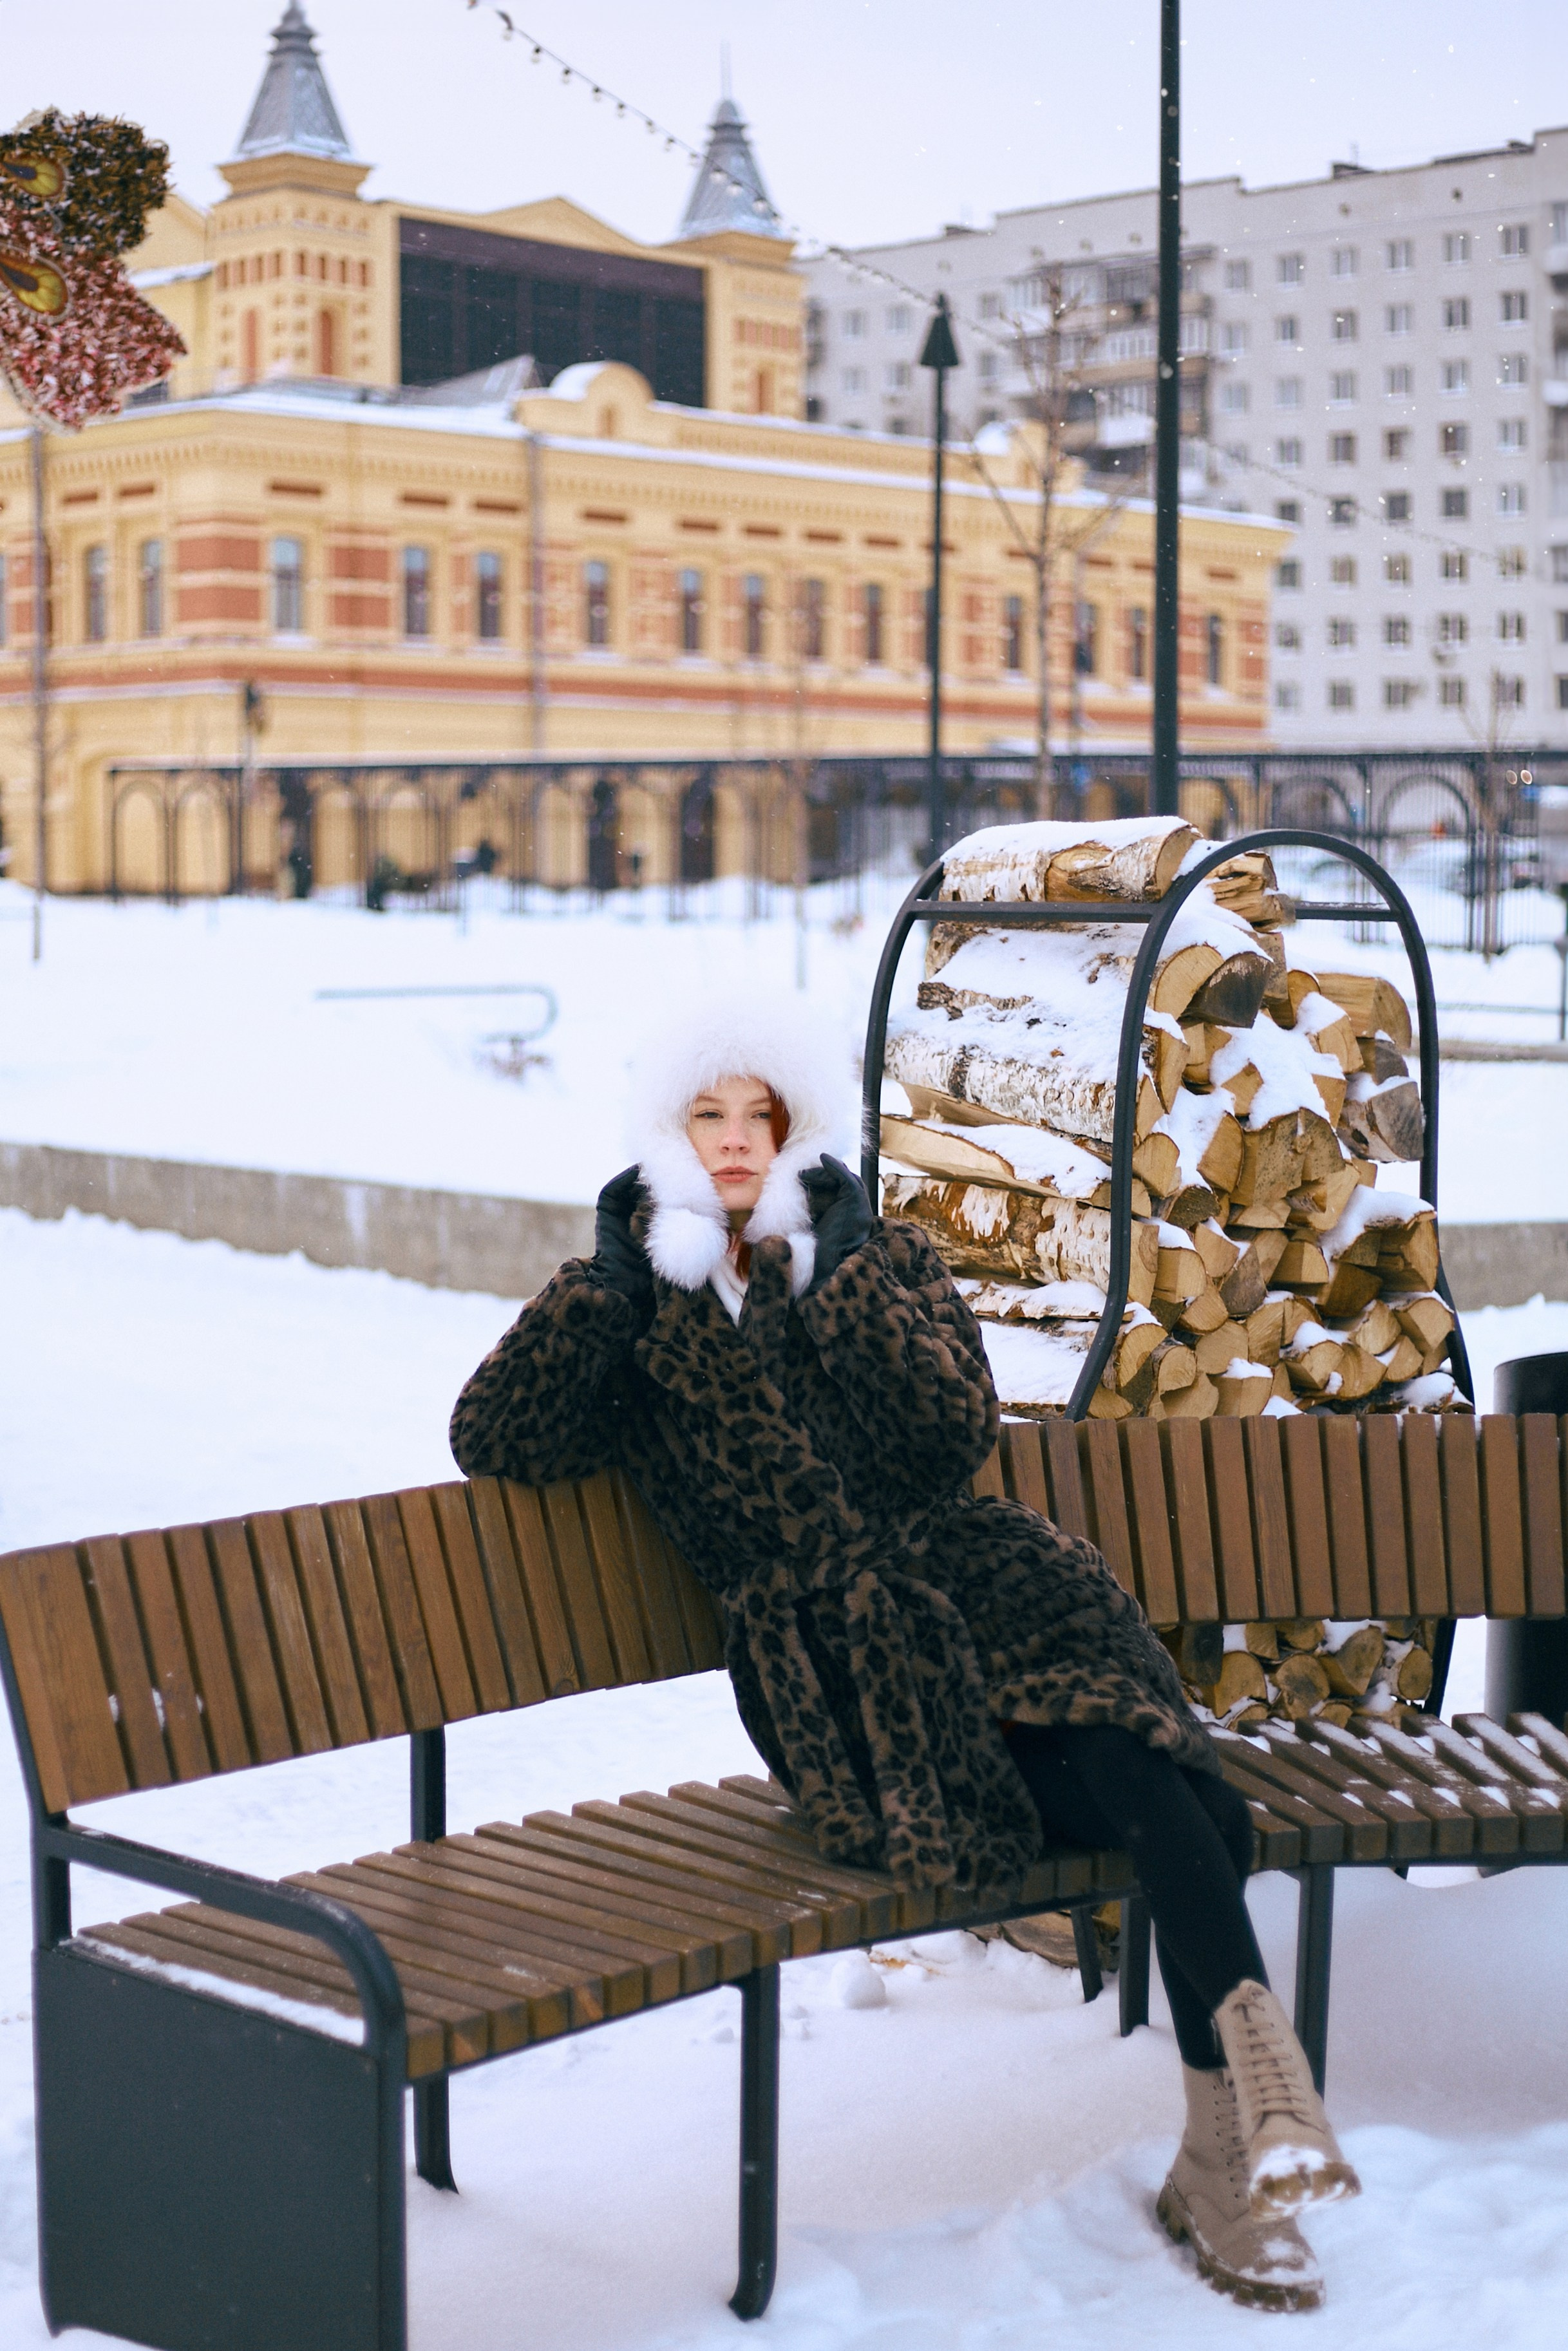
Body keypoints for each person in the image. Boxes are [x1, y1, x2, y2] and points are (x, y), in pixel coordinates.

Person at [449, 1000, 1359, 2312]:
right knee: (1170, 1792)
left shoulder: (874, 1258)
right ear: (667, 1133)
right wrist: (602, 1286)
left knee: (1141, 1759)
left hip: (992, 1587)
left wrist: (849, 1281)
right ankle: (1238, 2125)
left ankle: (1243, 2127)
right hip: (835, 1672)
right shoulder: (642, 1310)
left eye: (761, 1116)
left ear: (798, 1130)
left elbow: (951, 1432)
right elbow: (493, 1436)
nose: (735, 1142)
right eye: (707, 1116)